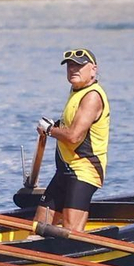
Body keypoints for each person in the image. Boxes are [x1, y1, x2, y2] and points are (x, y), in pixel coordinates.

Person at [35, 47, 111, 233]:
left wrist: (50, 130)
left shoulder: (92, 96)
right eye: (69, 66)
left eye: (79, 66)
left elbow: (74, 136)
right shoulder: (76, 91)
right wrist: (56, 125)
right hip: (65, 170)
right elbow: (72, 124)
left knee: (70, 232)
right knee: (39, 226)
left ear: (93, 69)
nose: (73, 70)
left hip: (84, 171)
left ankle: (74, 259)